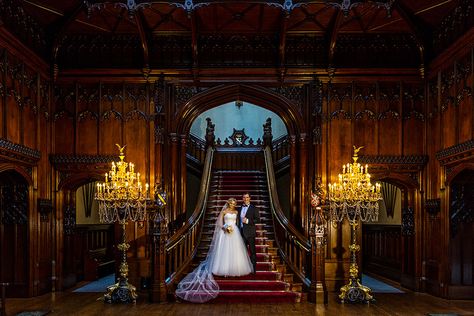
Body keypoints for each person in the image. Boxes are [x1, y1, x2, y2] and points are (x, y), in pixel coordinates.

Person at [175, 198, 253, 303]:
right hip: (225, 232)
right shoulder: (224, 211)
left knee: (235, 252)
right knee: (224, 252)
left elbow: (239, 223)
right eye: (231, 203)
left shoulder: (236, 212)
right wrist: (225, 227)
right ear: (228, 203)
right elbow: (219, 223)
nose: (232, 205)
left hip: (234, 232)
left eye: (234, 203)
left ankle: (234, 268)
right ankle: (223, 268)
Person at [238, 192, 260, 275]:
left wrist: (247, 221)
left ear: (250, 198)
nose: (245, 199)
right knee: (242, 252)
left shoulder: (254, 208)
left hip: (250, 233)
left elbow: (258, 220)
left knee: (252, 251)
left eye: (247, 197)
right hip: (241, 233)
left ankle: (253, 269)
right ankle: (243, 269)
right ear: (242, 198)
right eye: (244, 197)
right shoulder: (239, 208)